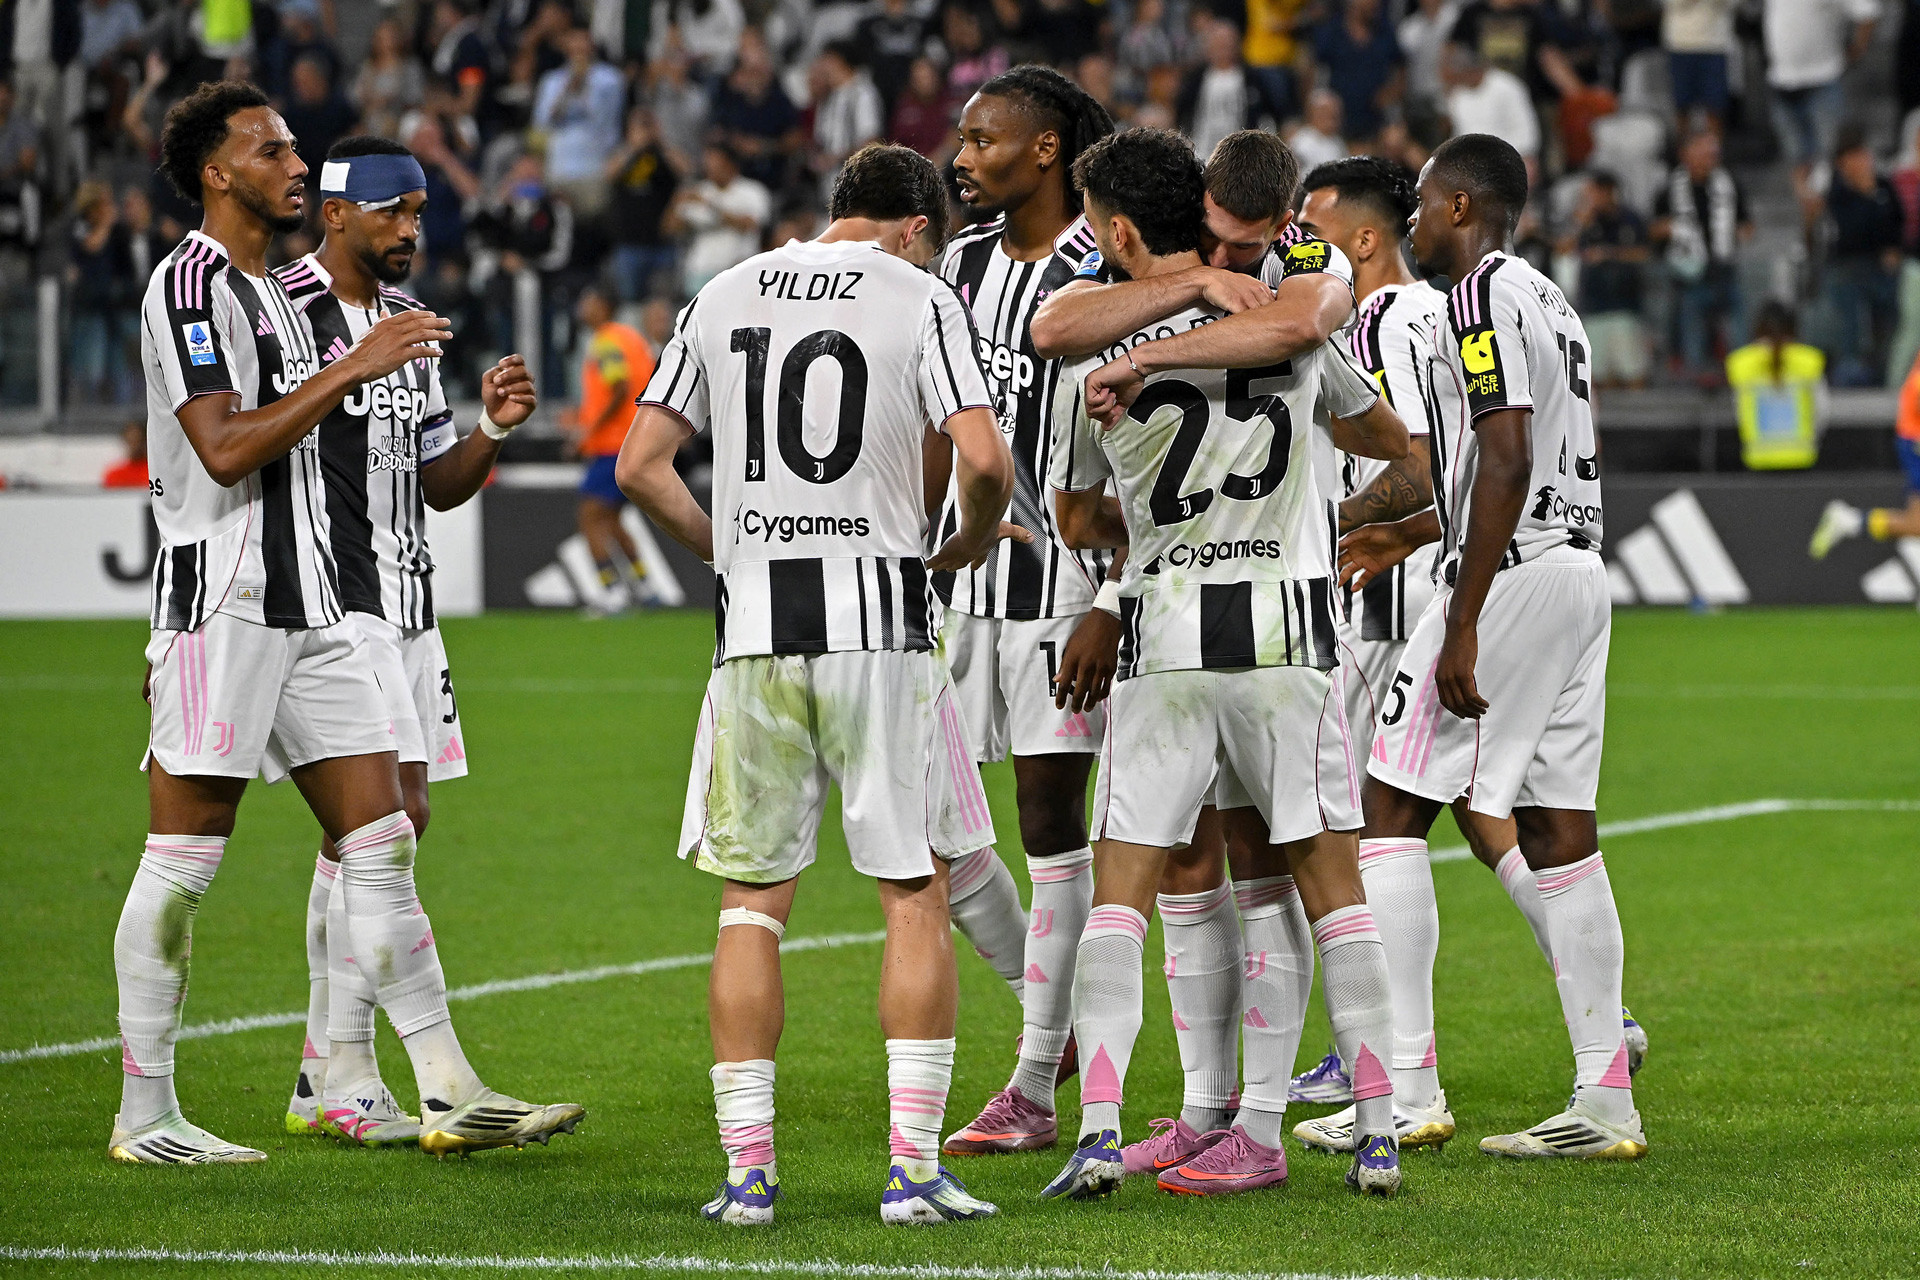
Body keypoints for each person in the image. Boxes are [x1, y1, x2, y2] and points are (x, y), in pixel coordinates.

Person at [112, 80, 578, 1164]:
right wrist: (356, 366)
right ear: (217, 173)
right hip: (224, 603)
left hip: (318, 605)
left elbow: (380, 459)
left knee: (382, 837)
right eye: (271, 150)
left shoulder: (273, 302)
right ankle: (147, 1113)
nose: (294, 163)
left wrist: (437, 406)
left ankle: (444, 1087)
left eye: (293, 147)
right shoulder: (190, 282)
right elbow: (224, 448)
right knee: (183, 858)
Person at [616, 142, 1012, 1227]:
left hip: (754, 632)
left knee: (752, 905)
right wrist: (966, 541)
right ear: (916, 226)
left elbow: (640, 464)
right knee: (914, 890)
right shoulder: (921, 297)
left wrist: (729, 555)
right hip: (878, 625)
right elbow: (983, 460)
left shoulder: (723, 290)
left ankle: (748, 1174)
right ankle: (913, 1171)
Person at [1040, 126, 1409, 1202]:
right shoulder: (1287, 325)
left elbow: (1074, 516)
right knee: (1328, 887)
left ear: (1121, 232)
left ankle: (1098, 1131)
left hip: (1165, 635)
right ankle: (1374, 1131)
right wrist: (1325, 511)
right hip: (1287, 634)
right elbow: (1394, 444)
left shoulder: (1095, 362)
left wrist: (1157, 515)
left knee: (1123, 891)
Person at [1285, 155, 1647, 1146]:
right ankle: (1604, 1095)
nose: (1415, 218)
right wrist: (1408, 533)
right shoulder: (1550, 299)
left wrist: (1466, 614)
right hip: (1575, 570)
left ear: (1460, 205)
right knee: (1558, 828)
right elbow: (1502, 462)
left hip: (1512, 575)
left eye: (1424, 202)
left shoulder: (1480, 294)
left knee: (1387, 809)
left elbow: (1507, 453)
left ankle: (1408, 1091)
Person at [271, 135, 549, 1145]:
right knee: (383, 826)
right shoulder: (276, 311)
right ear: (336, 211)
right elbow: (233, 444)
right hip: (332, 602)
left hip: (409, 609)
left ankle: (328, 1073)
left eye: (420, 211)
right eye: (393, 210)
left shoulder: (411, 326)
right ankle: (367, 1073)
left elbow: (435, 482)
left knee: (379, 830)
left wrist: (492, 430)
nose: (410, 228)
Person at [930, 65, 1118, 1160]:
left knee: (1051, 821)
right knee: (934, 825)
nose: (963, 157)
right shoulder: (957, 266)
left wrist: (1114, 595)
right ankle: (1057, 1025)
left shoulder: (1104, 265)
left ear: (1045, 149)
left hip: (1066, 590)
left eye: (983, 139)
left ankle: (1036, 1080)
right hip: (962, 589)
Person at [569, 283, 660, 614]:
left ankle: (611, 593)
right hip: (636, 440)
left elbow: (619, 386)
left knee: (590, 517)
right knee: (612, 520)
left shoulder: (606, 340)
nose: (583, 306)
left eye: (588, 299)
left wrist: (587, 430)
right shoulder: (631, 338)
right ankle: (645, 587)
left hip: (612, 445)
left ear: (603, 306)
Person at [1652, 129, 1751, 385]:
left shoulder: (1729, 185)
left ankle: (1740, 376)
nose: (1709, 155)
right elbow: (1653, 230)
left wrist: (1735, 232)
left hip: (1724, 268)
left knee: (1737, 329)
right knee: (1692, 327)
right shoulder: (1670, 190)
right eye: (1702, 150)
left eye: (1712, 150)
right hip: (1690, 274)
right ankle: (1693, 380)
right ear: (1685, 153)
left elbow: (1746, 224)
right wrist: (1673, 230)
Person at [1812, 344, 1920, 555]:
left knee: (1916, 524)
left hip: (1911, 439)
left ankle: (1851, 521)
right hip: (1915, 442)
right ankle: (1851, 521)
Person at [1568, 170, 1650, 390]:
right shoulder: (1586, 222)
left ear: (1608, 192)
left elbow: (1644, 253)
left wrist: (1609, 253)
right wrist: (1581, 224)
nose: (1590, 198)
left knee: (1633, 372)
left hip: (1625, 305)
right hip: (1594, 306)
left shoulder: (1630, 219)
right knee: (1597, 375)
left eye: (1593, 192)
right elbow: (1566, 248)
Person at [1727, 301, 1827, 473]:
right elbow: (1822, 410)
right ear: (1793, 328)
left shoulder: (1741, 362)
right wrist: (1812, 441)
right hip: (1801, 458)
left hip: (1758, 460)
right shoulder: (1808, 360)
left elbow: (1737, 412)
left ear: (1758, 327)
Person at [665, 143, 771, 296]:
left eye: (715, 162)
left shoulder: (752, 191)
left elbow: (750, 225)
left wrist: (710, 205)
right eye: (707, 162)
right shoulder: (700, 190)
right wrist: (676, 201)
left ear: (730, 164)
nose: (710, 167)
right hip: (700, 271)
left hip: (738, 270)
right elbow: (670, 228)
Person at [102, 419, 147, 488]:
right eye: (131, 440)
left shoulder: (153, 473)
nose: (135, 445)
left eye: (138, 440)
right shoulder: (114, 476)